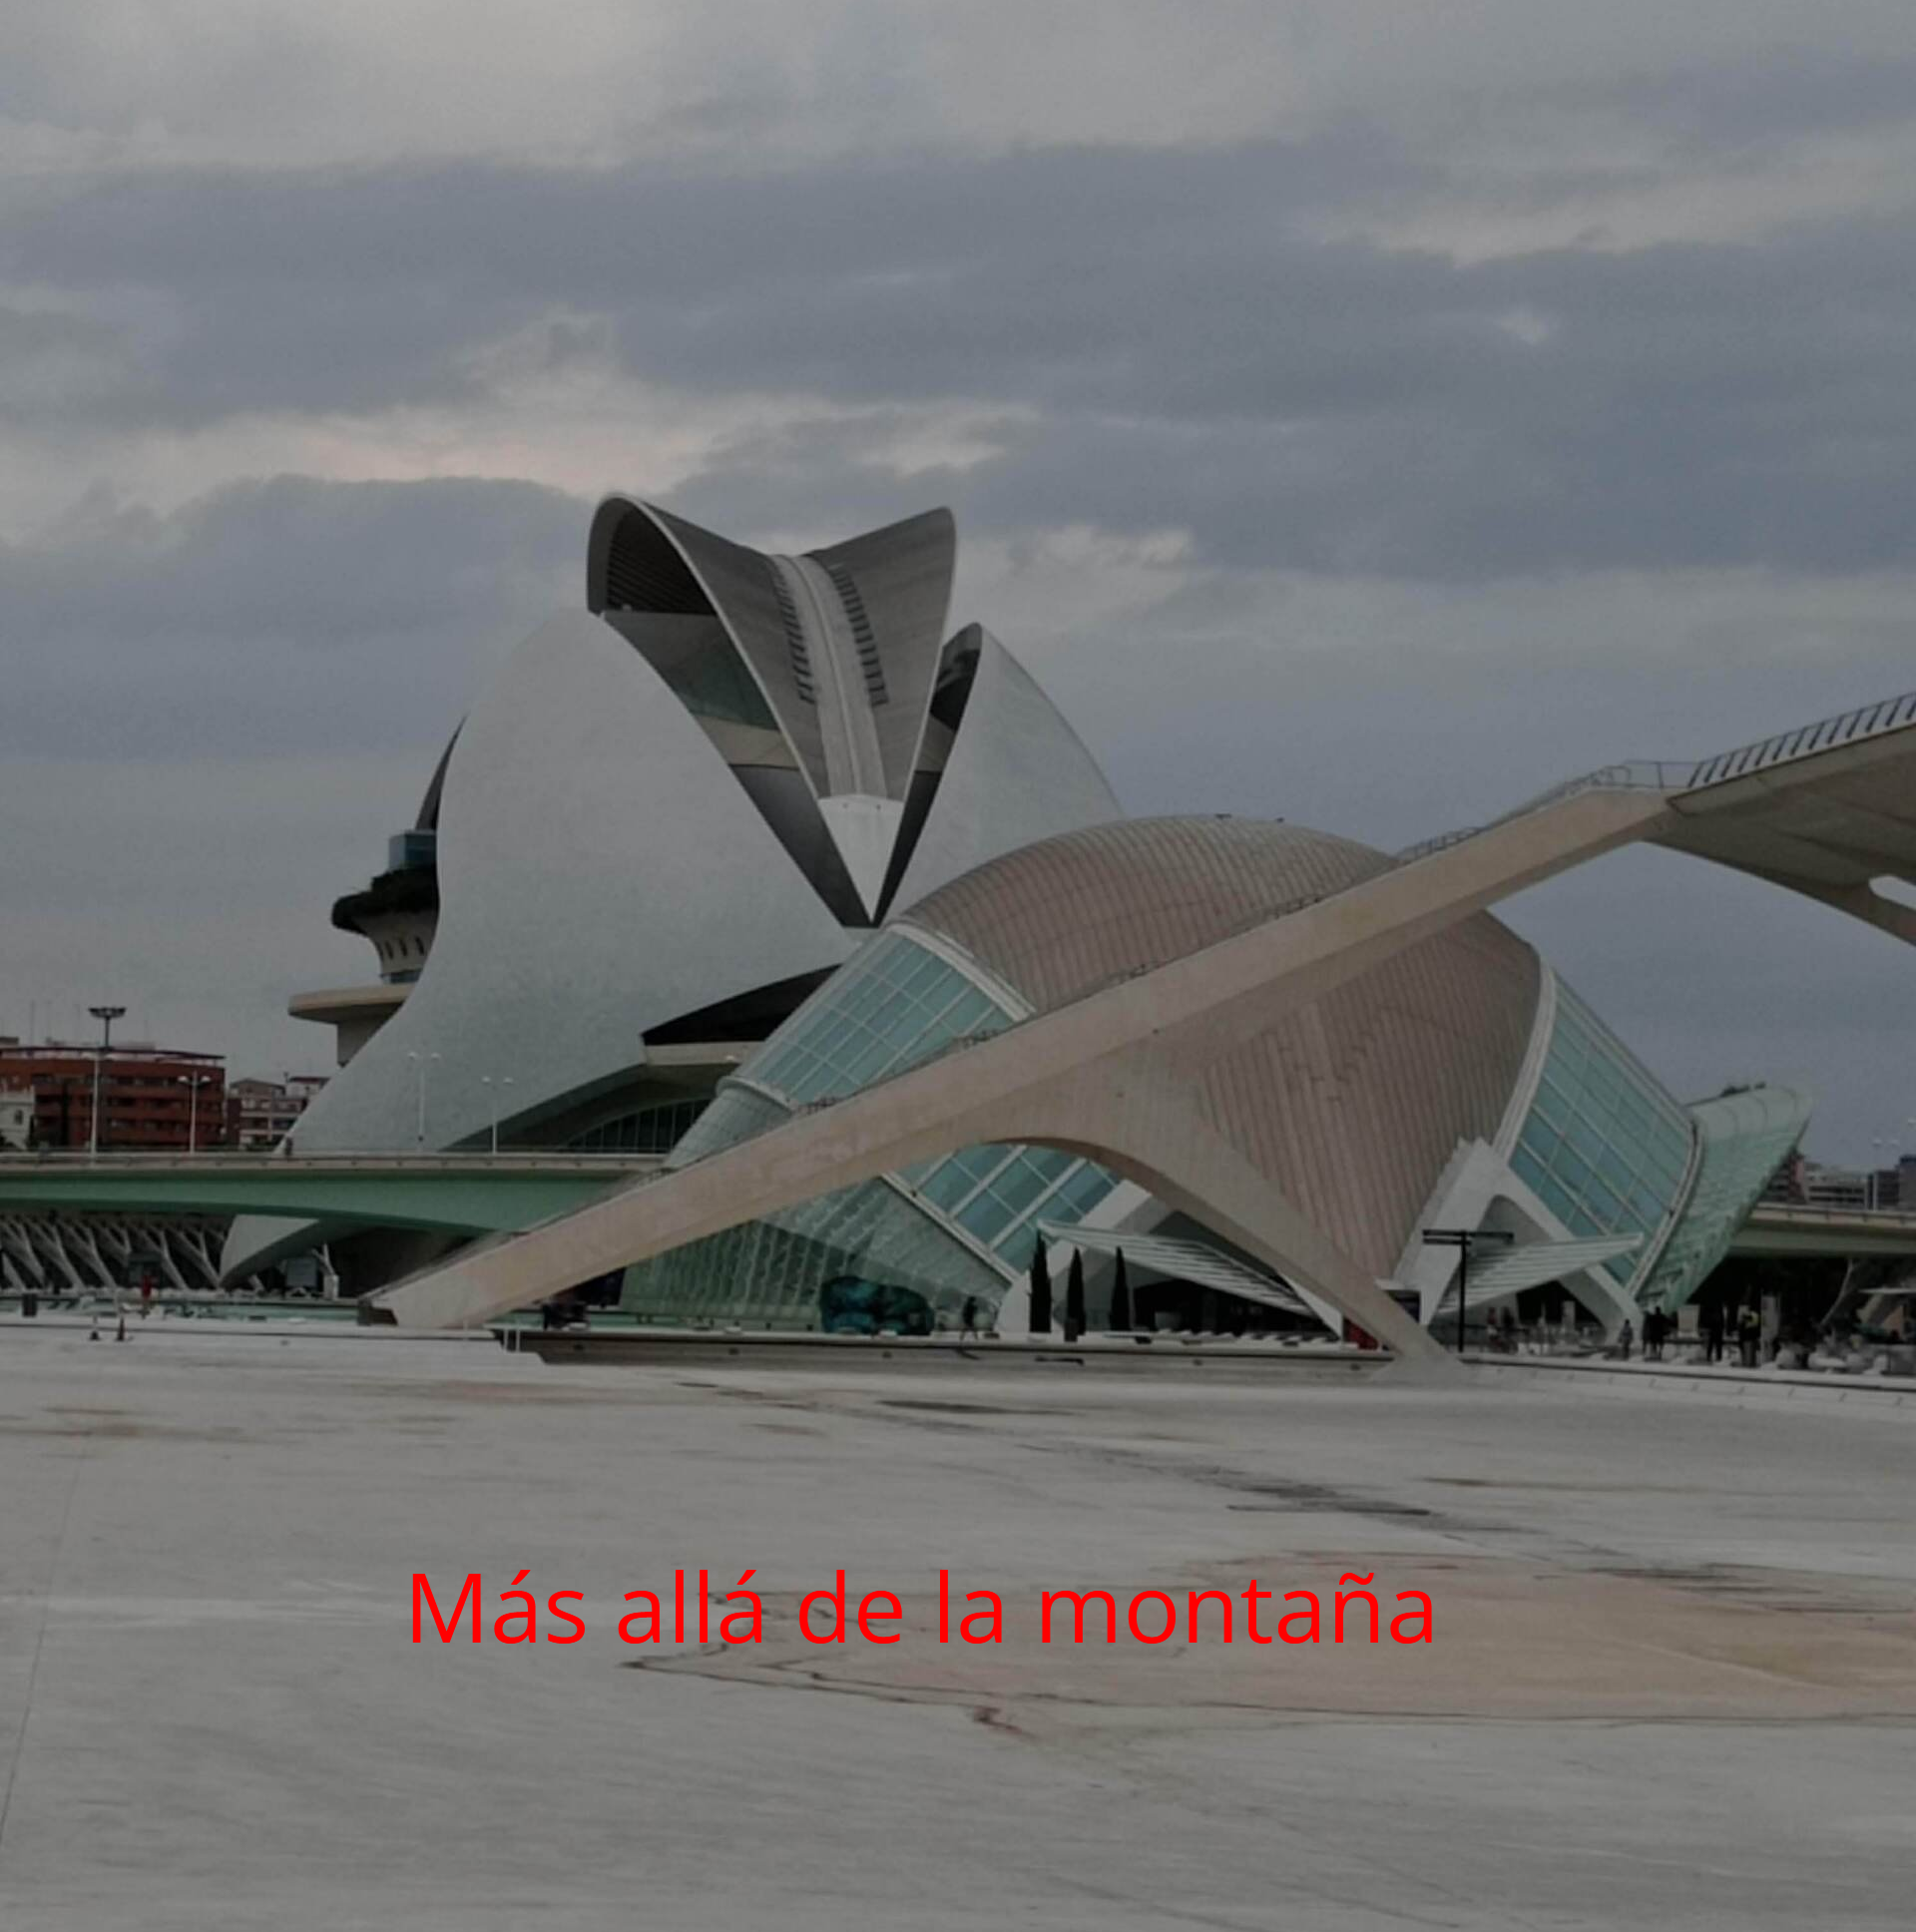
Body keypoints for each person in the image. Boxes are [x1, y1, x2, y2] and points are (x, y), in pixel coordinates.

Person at [1737, 1300, 1762, 1369]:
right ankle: (1751, 1362)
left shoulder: (1750, 1316)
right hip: (1752, 1336)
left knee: (1748, 1350)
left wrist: (1742, 1318)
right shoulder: (1756, 1315)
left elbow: (1745, 1321)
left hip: (1747, 1336)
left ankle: (1748, 1363)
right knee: (1752, 1351)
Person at [1701, 1300, 1725, 1365]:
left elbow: (1704, 1312)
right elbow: (1720, 1313)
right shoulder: (1718, 1303)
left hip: (1713, 1323)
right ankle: (1718, 1357)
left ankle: (1710, 1356)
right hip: (1716, 1323)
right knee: (1717, 1342)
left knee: (1712, 1342)